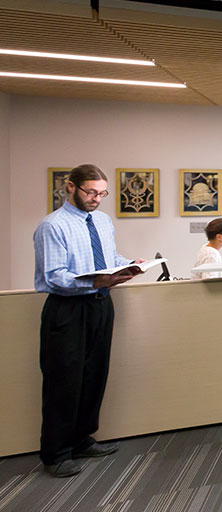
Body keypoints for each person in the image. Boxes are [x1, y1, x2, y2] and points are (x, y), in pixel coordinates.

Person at [32, 164, 144, 478]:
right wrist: (97, 282)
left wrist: (130, 264)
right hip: (67, 310)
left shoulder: (103, 221)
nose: (96, 198)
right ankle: (56, 454)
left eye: (101, 193)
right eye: (90, 192)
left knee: (94, 375)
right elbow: (52, 278)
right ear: (71, 187)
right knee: (63, 381)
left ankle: (82, 440)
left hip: (100, 305)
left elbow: (107, 258)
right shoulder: (52, 226)